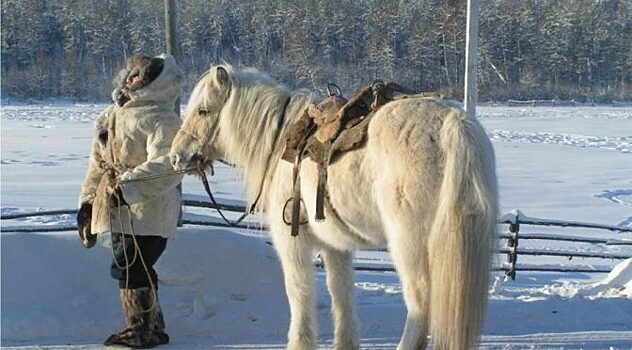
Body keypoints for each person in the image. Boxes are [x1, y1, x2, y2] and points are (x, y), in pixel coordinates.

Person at [77, 53, 184, 348]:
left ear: (152, 82)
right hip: (116, 205)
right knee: (135, 264)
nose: (131, 78)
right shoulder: (111, 115)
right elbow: (97, 164)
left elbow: (168, 164)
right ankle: (153, 327)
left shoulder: (163, 119)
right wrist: (87, 203)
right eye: (131, 72)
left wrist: (126, 189)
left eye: (139, 75)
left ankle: (138, 328)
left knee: (129, 265)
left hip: (150, 209)